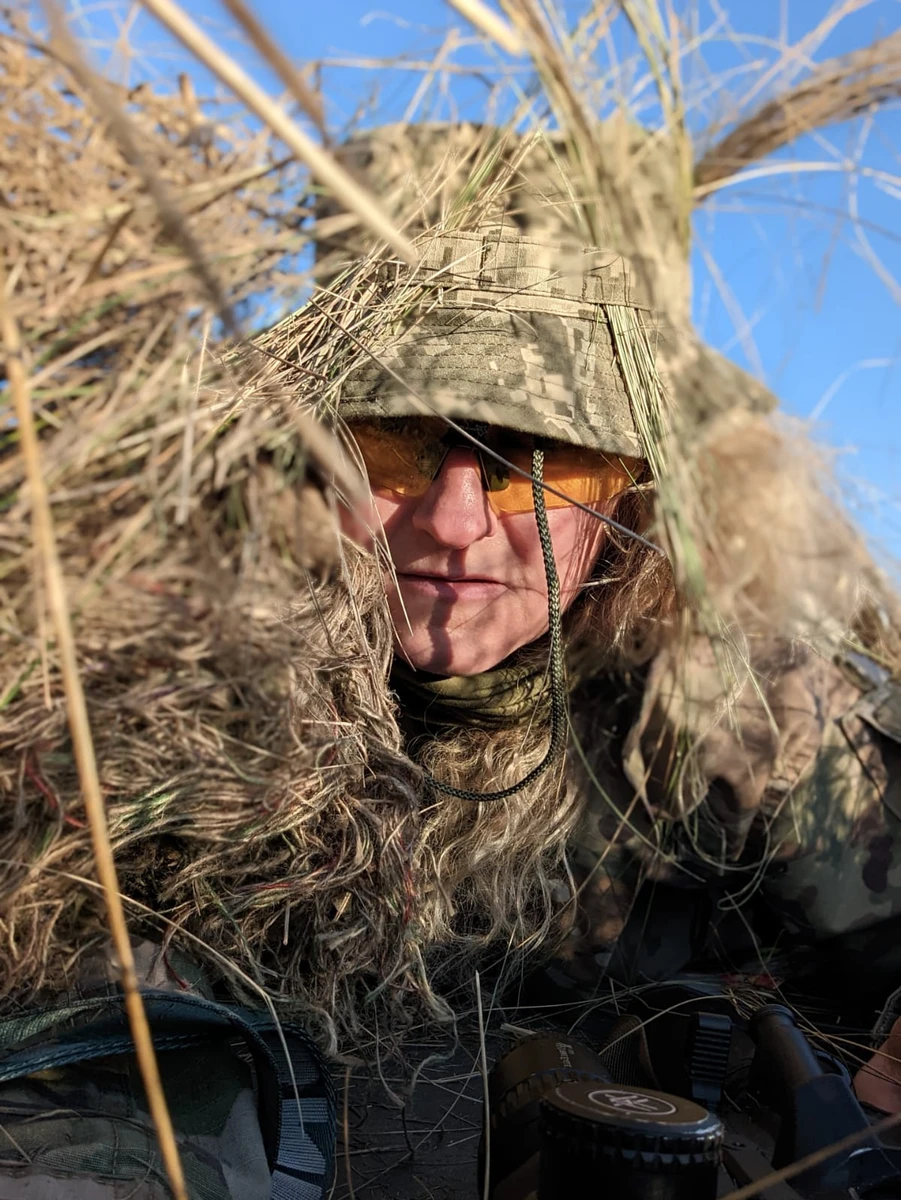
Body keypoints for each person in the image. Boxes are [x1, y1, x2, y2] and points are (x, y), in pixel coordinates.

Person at [1, 226, 900, 1196]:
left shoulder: (740, 715)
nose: (452, 523)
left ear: (634, 500)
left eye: (537, 461)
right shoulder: (165, 708)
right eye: (393, 445)